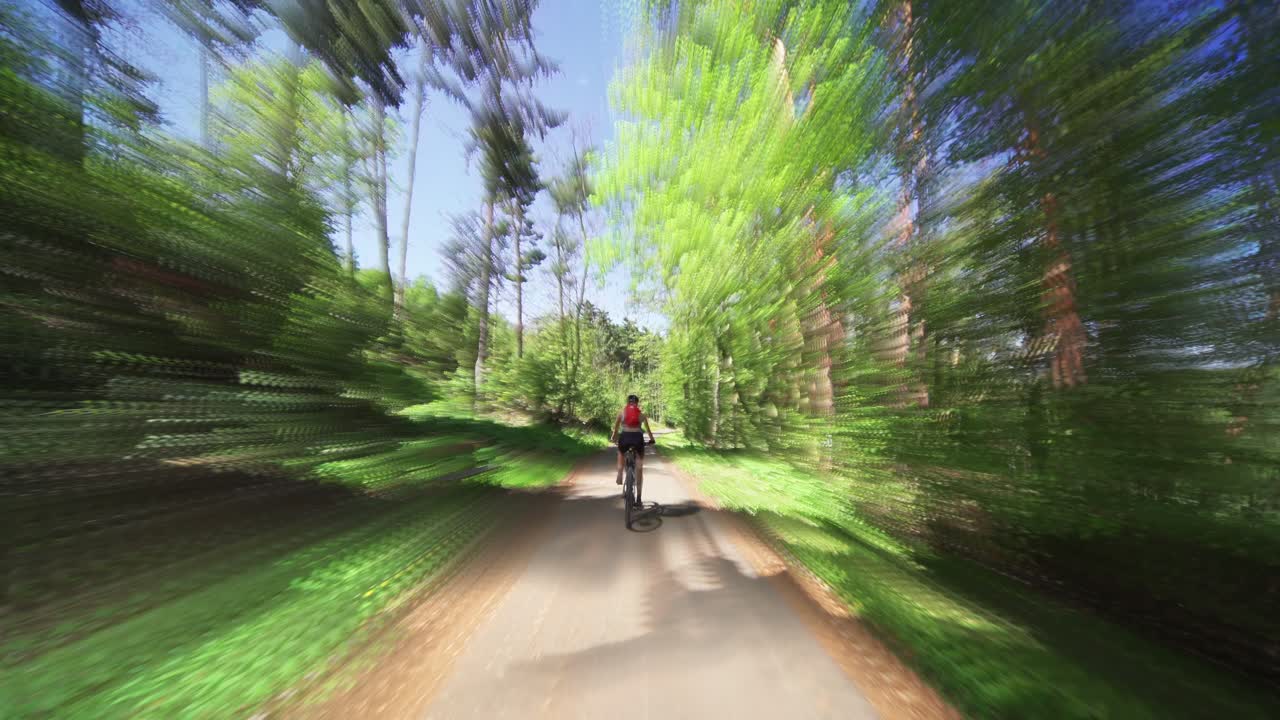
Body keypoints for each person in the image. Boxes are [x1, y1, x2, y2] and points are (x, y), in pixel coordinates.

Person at [611, 394, 655, 489]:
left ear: (628, 402)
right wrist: (652, 440)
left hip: (625, 437)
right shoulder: (642, 415)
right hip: (637, 438)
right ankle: (638, 494)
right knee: (639, 462)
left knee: (621, 452)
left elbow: (616, 429)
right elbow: (648, 430)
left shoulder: (621, 413)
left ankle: (620, 472)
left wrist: (613, 438)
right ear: (637, 403)